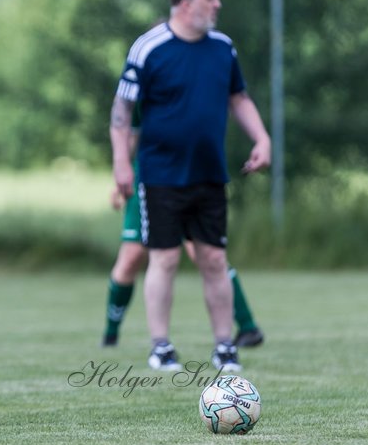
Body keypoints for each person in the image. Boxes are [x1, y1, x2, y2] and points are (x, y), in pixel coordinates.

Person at [110, 0, 271, 373]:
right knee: (163, 260)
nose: (218, 4)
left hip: (209, 173)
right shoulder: (149, 48)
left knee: (214, 259)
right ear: (185, 3)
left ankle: (224, 346)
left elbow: (239, 98)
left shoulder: (222, 47)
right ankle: (161, 346)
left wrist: (262, 138)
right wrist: (120, 162)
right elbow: (122, 111)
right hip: (161, 175)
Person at [102, 107, 264, 349]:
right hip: (151, 175)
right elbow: (130, 128)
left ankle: (248, 327)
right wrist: (122, 171)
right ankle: (111, 334)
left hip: (192, 173)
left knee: (206, 254)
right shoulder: (142, 73)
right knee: (132, 256)